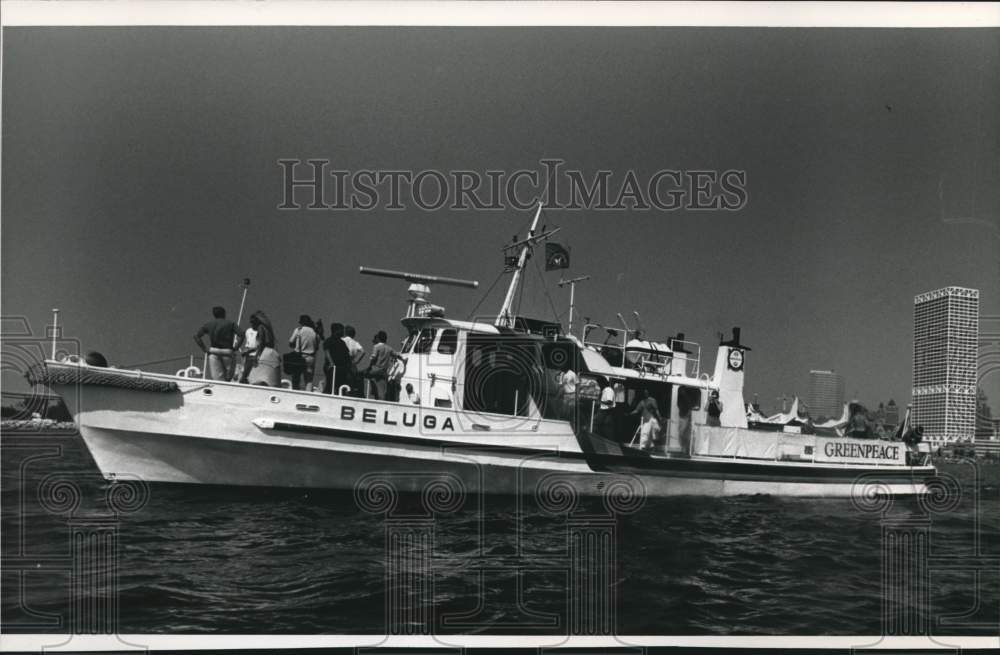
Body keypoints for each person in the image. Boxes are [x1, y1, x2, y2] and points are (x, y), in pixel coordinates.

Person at [194, 306, 244, 381]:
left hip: (213, 352)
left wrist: (204, 349)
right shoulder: (231, 324)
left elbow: (196, 336)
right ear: (224, 314)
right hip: (227, 352)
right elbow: (242, 335)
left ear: (214, 315)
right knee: (229, 378)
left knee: (217, 379)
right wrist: (236, 348)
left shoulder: (209, 324)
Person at [246, 310, 281, 386]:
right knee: (269, 382)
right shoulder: (267, 330)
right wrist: (248, 351)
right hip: (271, 354)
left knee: (255, 380)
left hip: (264, 356)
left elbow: (261, 343)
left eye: (252, 322)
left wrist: (256, 356)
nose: (251, 325)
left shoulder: (260, 328)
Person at [365, 330, 400, 400]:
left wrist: (369, 368)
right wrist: (403, 360)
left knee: (362, 374)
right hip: (383, 371)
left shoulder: (376, 347)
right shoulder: (389, 348)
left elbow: (373, 358)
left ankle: (363, 393)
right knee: (382, 389)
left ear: (378, 338)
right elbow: (397, 355)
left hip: (375, 370)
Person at [288, 315, 319, 391]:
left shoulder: (298, 330)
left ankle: (296, 394)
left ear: (301, 322)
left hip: (299, 356)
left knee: (296, 378)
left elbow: (291, 342)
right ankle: (308, 395)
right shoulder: (315, 332)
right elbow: (317, 347)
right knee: (309, 380)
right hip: (311, 358)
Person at [322, 323, 352, 395]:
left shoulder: (342, 343)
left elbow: (347, 355)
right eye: (341, 330)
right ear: (336, 331)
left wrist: (348, 366)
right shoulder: (329, 341)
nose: (343, 332)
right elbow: (327, 352)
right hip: (333, 368)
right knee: (330, 385)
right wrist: (331, 363)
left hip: (341, 368)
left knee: (340, 386)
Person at [342, 325, 366, 396]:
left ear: (345, 332)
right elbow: (363, 351)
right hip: (352, 363)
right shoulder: (355, 343)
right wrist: (356, 361)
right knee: (350, 384)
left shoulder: (342, 340)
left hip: (342, 362)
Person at [238, 314, 260, 383]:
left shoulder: (260, 331)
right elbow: (247, 344)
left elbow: (258, 346)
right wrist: (245, 352)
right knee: (244, 373)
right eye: (251, 322)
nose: (252, 324)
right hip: (248, 356)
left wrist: (248, 351)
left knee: (248, 375)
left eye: (254, 322)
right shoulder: (248, 331)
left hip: (256, 356)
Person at [557, 362, 578, 427]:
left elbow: (577, 384)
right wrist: (558, 395)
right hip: (565, 394)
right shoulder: (562, 374)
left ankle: (571, 424)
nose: (561, 368)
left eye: (563, 366)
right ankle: (563, 424)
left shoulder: (572, 374)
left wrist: (577, 394)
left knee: (571, 410)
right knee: (564, 410)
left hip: (572, 394)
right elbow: (561, 386)